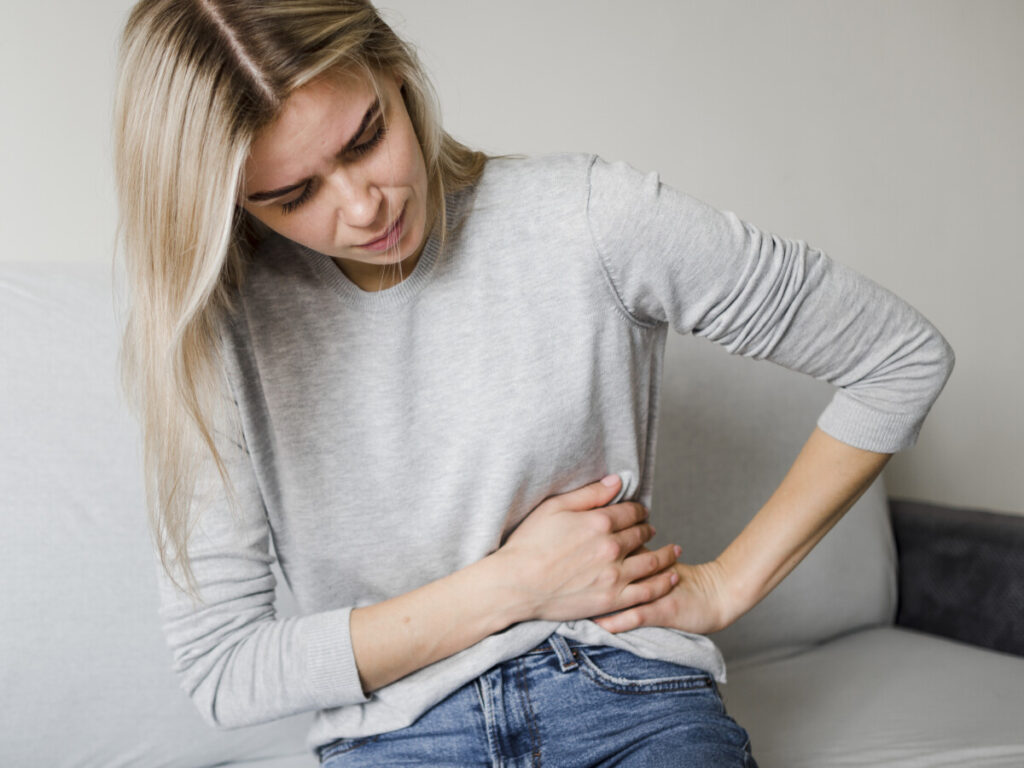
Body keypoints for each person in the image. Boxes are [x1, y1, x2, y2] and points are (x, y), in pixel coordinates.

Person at [112, 2, 954, 766]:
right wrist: (512, 586)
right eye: (292, 195)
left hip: (627, 699)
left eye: (365, 139)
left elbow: (897, 356)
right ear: (233, 204)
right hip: (401, 740)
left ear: (397, 74)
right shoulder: (216, 336)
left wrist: (727, 584)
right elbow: (224, 669)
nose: (362, 208)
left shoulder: (588, 217)